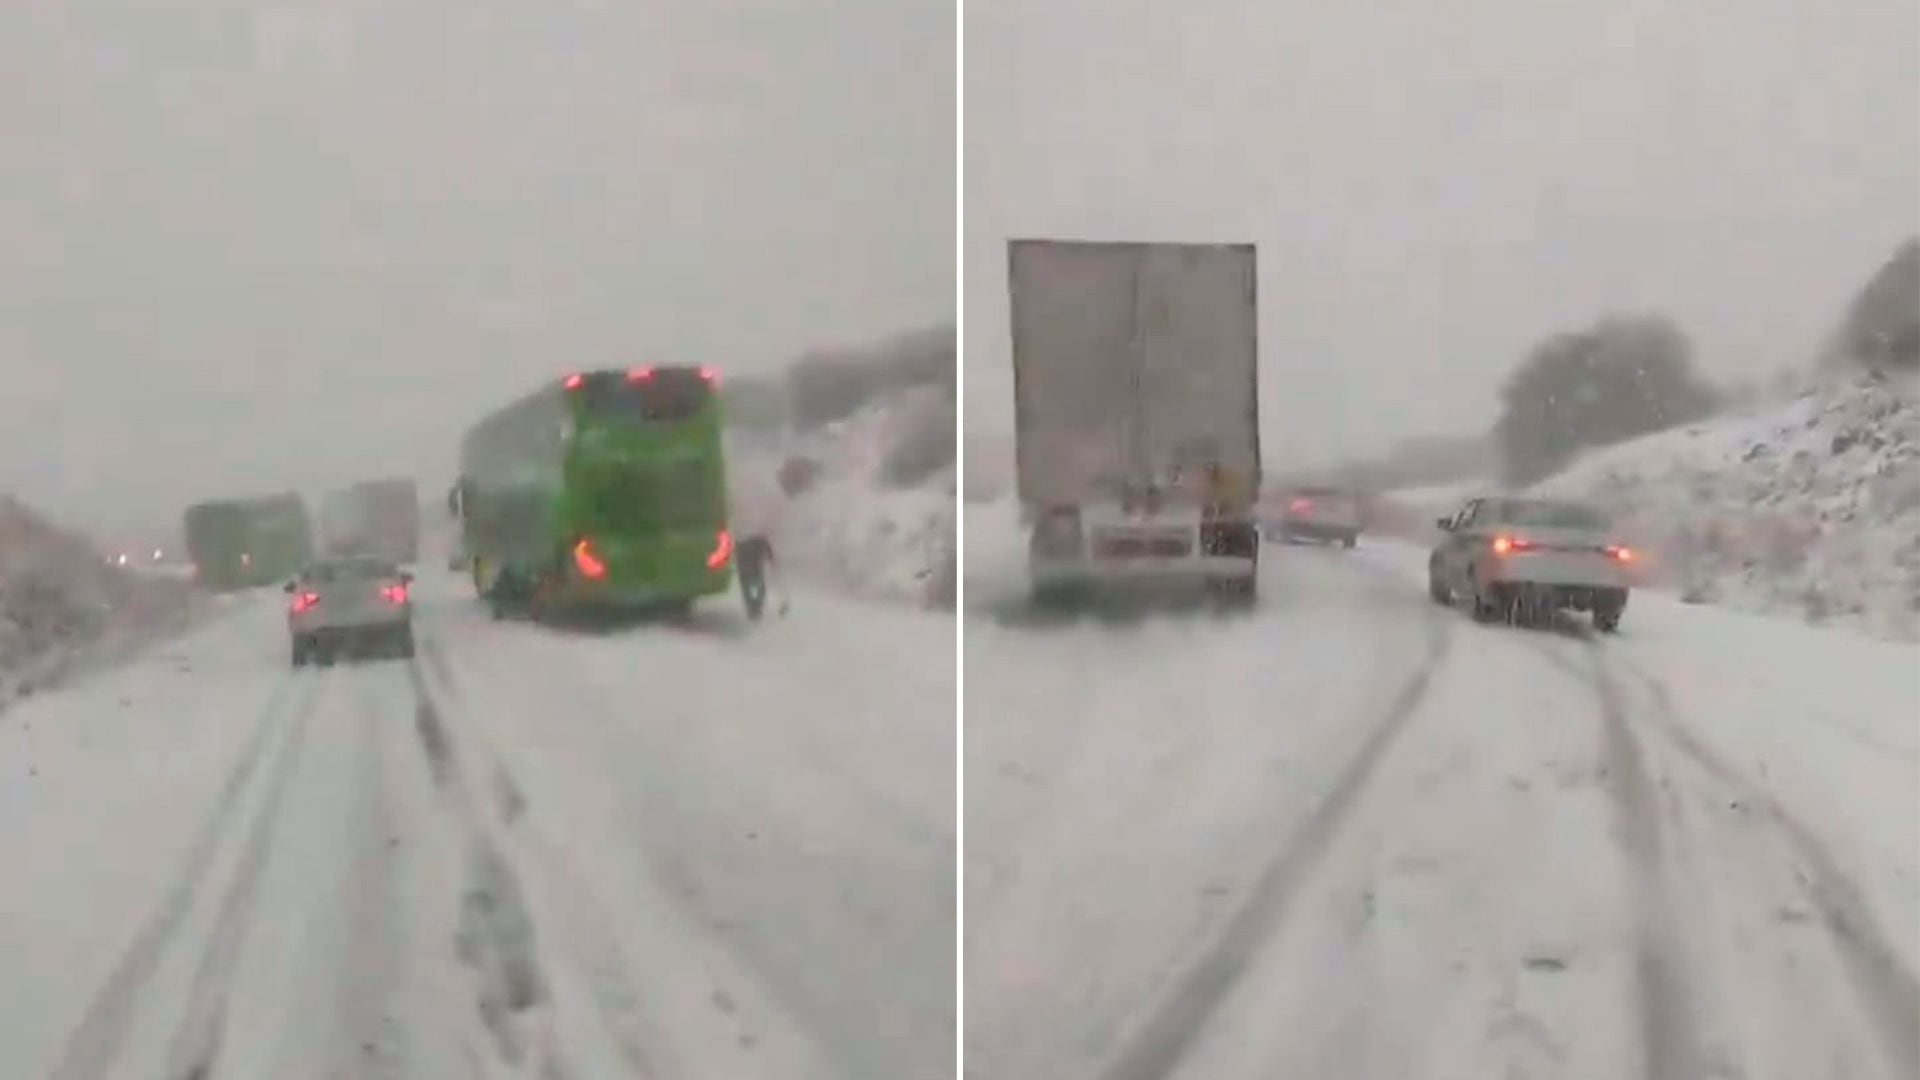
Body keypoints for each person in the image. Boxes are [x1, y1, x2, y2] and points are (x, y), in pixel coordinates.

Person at [735, 532, 785, 620]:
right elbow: (770, 555)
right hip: (752, 568)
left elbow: (737, 554)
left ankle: (753, 608)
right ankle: (755, 608)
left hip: (746, 568)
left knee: (749, 589)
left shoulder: (746, 543)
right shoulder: (761, 543)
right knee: (759, 588)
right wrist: (772, 562)